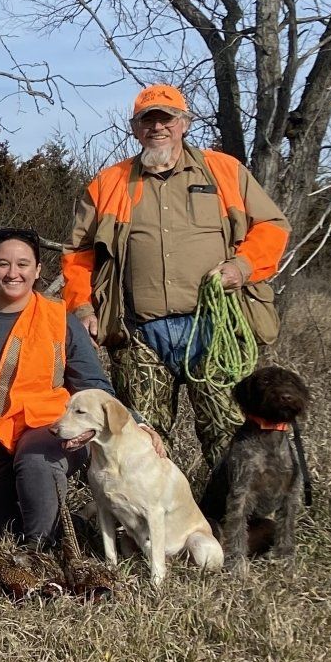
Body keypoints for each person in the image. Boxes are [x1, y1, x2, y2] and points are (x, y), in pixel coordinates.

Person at [63, 83, 288, 469]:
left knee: (230, 431)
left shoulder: (225, 170)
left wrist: (242, 267)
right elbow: (79, 253)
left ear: (184, 123)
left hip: (215, 330)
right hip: (139, 333)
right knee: (140, 437)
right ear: (135, 129)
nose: (157, 127)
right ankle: (147, 526)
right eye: (147, 120)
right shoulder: (108, 182)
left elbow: (272, 225)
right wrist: (83, 305)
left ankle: (231, 523)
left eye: (166, 118)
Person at [0, 228, 115, 550]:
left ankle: (40, 553)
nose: (12, 273)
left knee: (35, 460)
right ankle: (77, 523)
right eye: (2, 264)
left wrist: (133, 422)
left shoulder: (59, 318)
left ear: (38, 270)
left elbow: (94, 385)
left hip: (48, 432)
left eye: (23, 264)